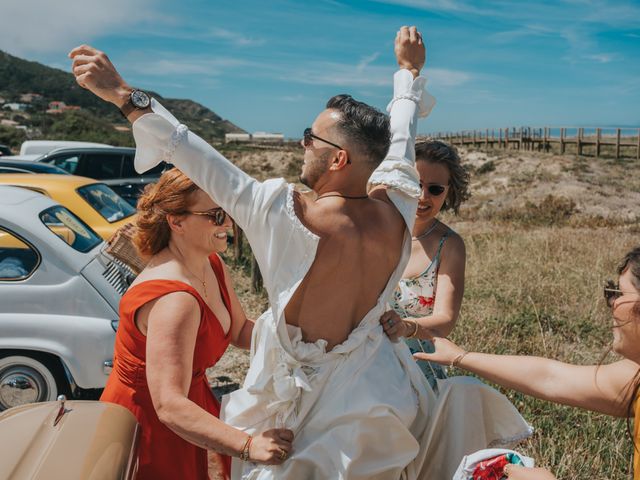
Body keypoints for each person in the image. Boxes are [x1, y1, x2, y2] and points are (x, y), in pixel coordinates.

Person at [70, 27, 530, 479]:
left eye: (312, 137)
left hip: (300, 414)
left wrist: (124, 95)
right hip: (372, 392)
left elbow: (194, 153)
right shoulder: (400, 206)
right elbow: (403, 138)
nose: (303, 143)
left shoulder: (283, 215)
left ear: (338, 159)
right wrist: (407, 74)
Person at [100, 168, 293, 480]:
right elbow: (169, 405)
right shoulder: (174, 301)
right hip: (148, 427)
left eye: (227, 212)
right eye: (215, 215)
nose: (228, 224)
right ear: (176, 222)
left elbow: (240, 330)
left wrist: (301, 337)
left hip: (190, 407)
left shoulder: (210, 262)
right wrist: (248, 445)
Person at [414, 246, 640, 480]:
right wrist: (460, 357)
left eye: (619, 293)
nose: (611, 303)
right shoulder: (635, 377)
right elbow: (550, 377)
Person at [380, 139, 469, 388]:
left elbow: (446, 319)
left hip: (418, 369)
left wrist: (406, 327)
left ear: (449, 191)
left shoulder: (449, 245)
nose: (422, 196)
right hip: (365, 361)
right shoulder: (377, 230)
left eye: (435, 189)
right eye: (415, 185)